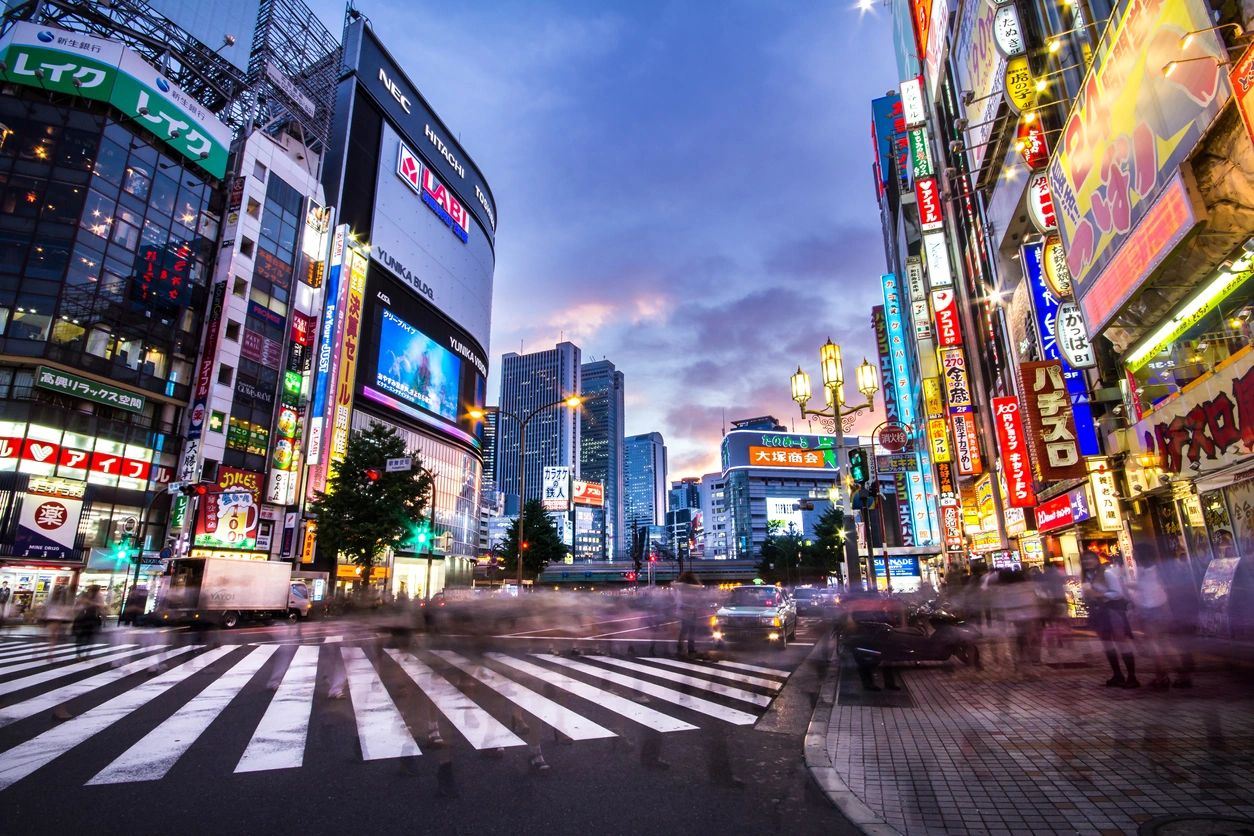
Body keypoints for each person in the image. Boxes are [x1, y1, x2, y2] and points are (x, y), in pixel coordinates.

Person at [1080, 550, 1138, 688]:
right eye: (1084, 559)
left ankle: (1132, 677)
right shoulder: (1087, 577)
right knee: (1107, 644)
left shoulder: (1107, 573)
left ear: (1096, 560)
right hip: (1098, 612)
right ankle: (1117, 675)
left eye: (1090, 559)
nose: (1087, 562)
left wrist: (1099, 595)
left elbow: (1118, 593)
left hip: (1112, 611)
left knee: (1121, 642)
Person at [1128, 543, 1172, 690]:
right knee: (1162, 642)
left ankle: (1162, 677)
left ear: (1141, 554)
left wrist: (1129, 587)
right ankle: (1165, 674)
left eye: (1134, 552)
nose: (1132, 554)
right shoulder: (1157, 569)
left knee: (1155, 644)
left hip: (1150, 610)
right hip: (1161, 608)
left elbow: (1146, 591)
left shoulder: (1145, 571)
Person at [1160, 548, 1200, 688]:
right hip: (1183, 610)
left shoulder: (1177, 574)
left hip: (1179, 611)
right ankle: (1187, 669)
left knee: (1178, 643)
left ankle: (1185, 674)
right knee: (1182, 642)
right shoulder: (1187, 571)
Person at [673, 572, 704, 656]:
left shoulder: (682, 586)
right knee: (690, 630)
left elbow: (674, 585)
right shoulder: (690, 587)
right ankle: (690, 648)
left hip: (685, 610)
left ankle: (680, 648)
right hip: (690, 610)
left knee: (685, 630)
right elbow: (700, 587)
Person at [71, 585, 105, 659]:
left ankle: (85, 653)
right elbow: (76, 605)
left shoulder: (98, 596)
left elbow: (101, 606)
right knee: (81, 637)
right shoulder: (83, 595)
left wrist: (90, 603)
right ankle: (79, 653)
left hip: (92, 618)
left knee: (90, 637)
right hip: (82, 617)